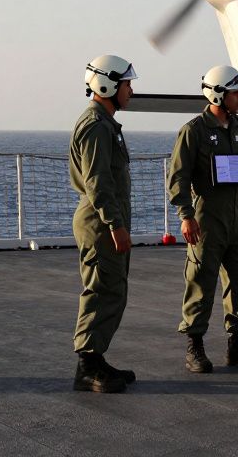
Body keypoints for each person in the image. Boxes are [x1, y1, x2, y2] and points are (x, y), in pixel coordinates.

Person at [168, 65, 238, 373]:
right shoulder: (194, 131)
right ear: (218, 94)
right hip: (207, 219)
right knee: (201, 281)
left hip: (237, 219)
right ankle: (194, 347)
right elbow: (178, 178)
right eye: (236, 92)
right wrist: (186, 216)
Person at [69, 54, 138, 393]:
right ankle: (87, 366)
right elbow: (97, 181)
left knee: (112, 290)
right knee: (101, 291)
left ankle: (96, 358)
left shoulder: (105, 123)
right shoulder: (97, 126)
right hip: (99, 223)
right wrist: (115, 225)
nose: (130, 91)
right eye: (127, 85)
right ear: (107, 85)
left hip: (104, 220)